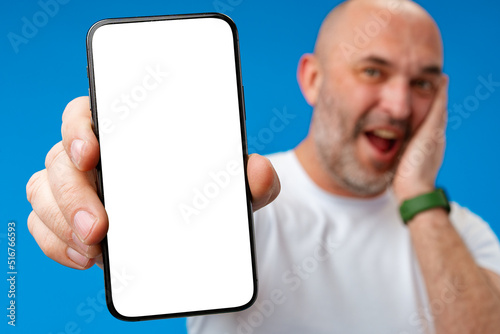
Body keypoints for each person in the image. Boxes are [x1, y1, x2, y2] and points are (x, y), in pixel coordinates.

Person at [26, 0, 500, 333]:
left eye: (423, 84)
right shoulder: (237, 194)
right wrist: (89, 196)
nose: (398, 105)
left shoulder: (463, 234)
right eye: (372, 71)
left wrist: (417, 192)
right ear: (313, 79)